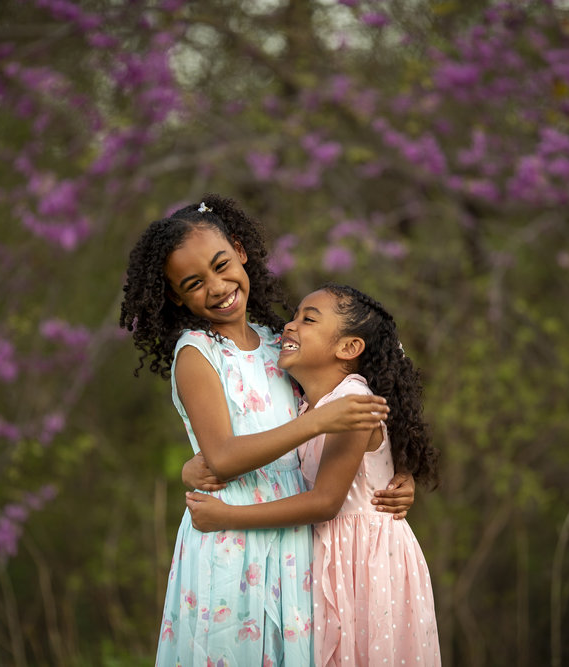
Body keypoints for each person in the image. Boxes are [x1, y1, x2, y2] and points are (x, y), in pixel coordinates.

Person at [118, 195, 415, 666]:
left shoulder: (279, 345)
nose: (216, 288)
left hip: (295, 543)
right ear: (176, 296)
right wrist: (193, 468)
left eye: (221, 265)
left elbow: (375, 372)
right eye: (194, 283)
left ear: (240, 250)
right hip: (229, 539)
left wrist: (396, 474)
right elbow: (225, 457)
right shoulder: (197, 354)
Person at [185, 283, 443, 666]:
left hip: (367, 565)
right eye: (295, 315)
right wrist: (193, 466)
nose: (290, 326)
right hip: (332, 559)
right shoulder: (305, 406)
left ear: (349, 348)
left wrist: (227, 518)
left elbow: (325, 501)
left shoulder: (351, 404)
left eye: (308, 319)